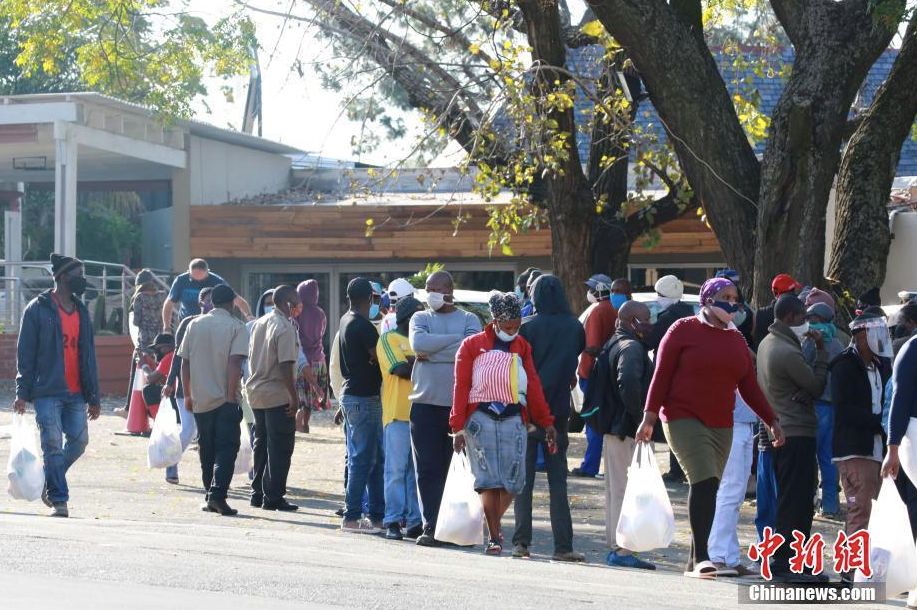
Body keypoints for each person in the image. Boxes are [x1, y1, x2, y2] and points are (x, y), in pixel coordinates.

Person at [636, 277, 783, 579]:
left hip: (721, 423)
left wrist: (771, 419)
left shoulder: (736, 340)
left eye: (735, 297)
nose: (733, 303)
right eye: (725, 296)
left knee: (709, 488)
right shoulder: (683, 329)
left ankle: (694, 561)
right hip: (682, 417)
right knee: (703, 480)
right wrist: (649, 417)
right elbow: (661, 375)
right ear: (708, 299)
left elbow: (749, 386)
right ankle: (704, 558)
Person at [451, 291, 556, 555]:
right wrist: (458, 427)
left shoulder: (522, 347)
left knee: (514, 481)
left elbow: (532, 385)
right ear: (495, 321)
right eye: (508, 327)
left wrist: (546, 421)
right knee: (489, 480)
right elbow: (461, 386)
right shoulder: (472, 346)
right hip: (480, 418)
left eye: (517, 327)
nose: (513, 331)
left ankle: (491, 525)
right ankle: (495, 536)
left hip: (513, 417)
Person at [14, 253, 101, 518]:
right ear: (63, 277)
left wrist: (94, 396)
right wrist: (22, 392)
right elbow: (25, 354)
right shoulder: (37, 308)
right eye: (78, 275)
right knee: (51, 445)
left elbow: (89, 356)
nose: (82, 280)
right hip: (47, 391)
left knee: (79, 442)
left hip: (77, 392)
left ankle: (48, 478)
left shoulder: (82, 311)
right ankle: (59, 499)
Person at [756, 294, 829, 582]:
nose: (806, 323)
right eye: (802, 318)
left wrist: (807, 389)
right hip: (796, 431)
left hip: (781, 428)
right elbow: (816, 384)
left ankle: (789, 559)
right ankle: (788, 563)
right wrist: (821, 353)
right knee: (797, 502)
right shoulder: (787, 350)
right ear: (789, 318)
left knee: (791, 499)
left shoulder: (767, 343)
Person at [513, 274, 586, 562]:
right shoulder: (574, 327)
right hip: (558, 414)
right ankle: (563, 547)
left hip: (528, 412)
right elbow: (575, 359)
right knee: (558, 481)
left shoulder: (527, 328)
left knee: (524, 481)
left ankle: (521, 543)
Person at [409, 270, 481, 546]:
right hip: (424, 405)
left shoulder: (469, 318)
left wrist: (432, 353)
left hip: (459, 408)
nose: (430, 294)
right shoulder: (420, 317)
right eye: (428, 289)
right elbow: (418, 343)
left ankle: (459, 528)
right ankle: (431, 526)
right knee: (428, 469)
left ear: (450, 290)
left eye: (436, 288)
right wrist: (455, 345)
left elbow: (471, 351)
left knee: (460, 468)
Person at [589, 300, 657, 569]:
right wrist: (641, 418)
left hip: (615, 428)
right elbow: (627, 381)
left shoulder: (614, 342)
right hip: (625, 429)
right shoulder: (630, 347)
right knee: (624, 490)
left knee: (616, 488)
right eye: (647, 319)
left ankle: (618, 545)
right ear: (633, 322)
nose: (651, 324)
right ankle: (623, 549)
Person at [178, 284, 249, 516]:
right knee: (227, 448)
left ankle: (210, 494)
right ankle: (218, 496)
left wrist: (188, 394)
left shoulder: (194, 325)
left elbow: (185, 363)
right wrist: (230, 395)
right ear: (231, 303)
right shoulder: (237, 327)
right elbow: (234, 362)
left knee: (206, 448)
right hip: (224, 398)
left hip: (200, 398)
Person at [831, 314, 891, 558]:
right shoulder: (843, 365)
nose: (881, 337)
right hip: (854, 449)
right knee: (860, 509)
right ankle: (851, 568)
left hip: (876, 449)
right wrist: (877, 423)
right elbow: (844, 410)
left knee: (875, 512)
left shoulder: (878, 366)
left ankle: (867, 566)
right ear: (861, 335)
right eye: (875, 331)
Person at [246, 285, 302, 512]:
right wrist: (294, 396)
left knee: (261, 444)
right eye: (297, 302)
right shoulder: (284, 327)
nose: (300, 307)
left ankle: (257, 492)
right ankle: (274, 496)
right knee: (280, 447)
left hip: (256, 392)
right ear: (288, 304)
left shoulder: (260, 322)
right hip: (277, 392)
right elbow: (286, 364)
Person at [339, 277, 385, 534]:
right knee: (362, 459)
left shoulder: (345, 320)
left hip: (352, 395)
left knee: (371, 458)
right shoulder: (364, 326)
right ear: (370, 298)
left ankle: (376, 516)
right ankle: (352, 517)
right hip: (364, 397)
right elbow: (380, 358)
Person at [377, 296, 425, 541]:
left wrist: (413, 360)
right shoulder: (388, 339)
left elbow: (411, 366)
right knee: (395, 470)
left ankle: (415, 521)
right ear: (406, 318)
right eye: (417, 316)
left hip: (420, 414)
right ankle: (393, 520)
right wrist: (421, 361)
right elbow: (400, 370)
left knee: (415, 473)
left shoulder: (421, 342)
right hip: (397, 413)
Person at [647, 274, 694, 484]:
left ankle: (676, 469)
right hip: (687, 377)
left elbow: (650, 340)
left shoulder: (668, 317)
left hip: (671, 377)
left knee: (672, 424)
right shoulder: (689, 314)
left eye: (659, 295)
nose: (658, 298)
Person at [707, 391, 760, 577]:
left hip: (744, 421)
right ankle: (717, 556)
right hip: (729, 422)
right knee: (730, 491)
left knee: (736, 493)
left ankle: (730, 557)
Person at [162, 287, 212, 484]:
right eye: (208, 300)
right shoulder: (188, 323)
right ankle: (172, 463)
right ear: (200, 303)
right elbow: (178, 356)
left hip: (211, 384)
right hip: (187, 384)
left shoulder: (221, 325)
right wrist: (169, 382)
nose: (211, 303)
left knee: (209, 431)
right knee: (189, 428)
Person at [801, 301, 845, 518]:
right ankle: (830, 504)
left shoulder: (813, 342)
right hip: (834, 408)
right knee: (828, 459)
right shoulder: (839, 343)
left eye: (811, 318)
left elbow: (803, 369)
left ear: (818, 319)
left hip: (816, 406)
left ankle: (807, 502)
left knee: (809, 458)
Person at [573, 273, 617, 478]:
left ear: (600, 290)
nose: (588, 292)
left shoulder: (598, 310)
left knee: (593, 421)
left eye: (591, 288)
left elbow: (591, 346)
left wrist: (583, 370)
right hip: (609, 372)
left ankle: (590, 466)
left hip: (592, 373)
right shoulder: (614, 309)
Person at [163, 258, 252, 330]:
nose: (198, 282)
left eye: (202, 281)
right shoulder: (181, 280)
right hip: (187, 324)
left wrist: (249, 316)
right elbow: (169, 304)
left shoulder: (217, 281)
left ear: (208, 272)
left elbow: (239, 301)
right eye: (194, 280)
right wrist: (166, 327)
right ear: (188, 272)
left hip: (212, 325)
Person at [296, 280, 328, 421]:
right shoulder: (320, 313)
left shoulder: (298, 312)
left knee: (301, 400)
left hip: (303, 361)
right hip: (318, 360)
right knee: (311, 402)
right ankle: (305, 425)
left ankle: (298, 424)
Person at [752, 273, 803, 350]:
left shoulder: (758, 314)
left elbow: (753, 334)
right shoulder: (795, 315)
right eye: (794, 291)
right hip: (787, 357)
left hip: (761, 357)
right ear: (792, 293)